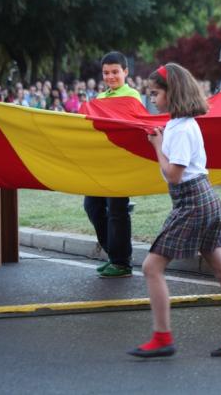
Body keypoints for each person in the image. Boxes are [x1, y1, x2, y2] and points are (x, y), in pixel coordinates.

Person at [130, 63, 221, 358]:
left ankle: (162, 338)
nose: (152, 99)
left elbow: (173, 174)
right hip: (206, 199)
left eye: (155, 93)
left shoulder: (181, 129)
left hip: (192, 201)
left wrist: (157, 147)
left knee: (151, 267)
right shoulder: (182, 125)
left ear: (171, 93)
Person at [82, 52, 140, 278]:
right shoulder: (99, 98)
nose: (110, 76)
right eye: (106, 73)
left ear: (125, 72)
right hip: (100, 164)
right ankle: (115, 254)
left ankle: (121, 261)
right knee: (92, 207)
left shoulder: (132, 95)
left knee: (117, 210)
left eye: (115, 72)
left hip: (120, 163)